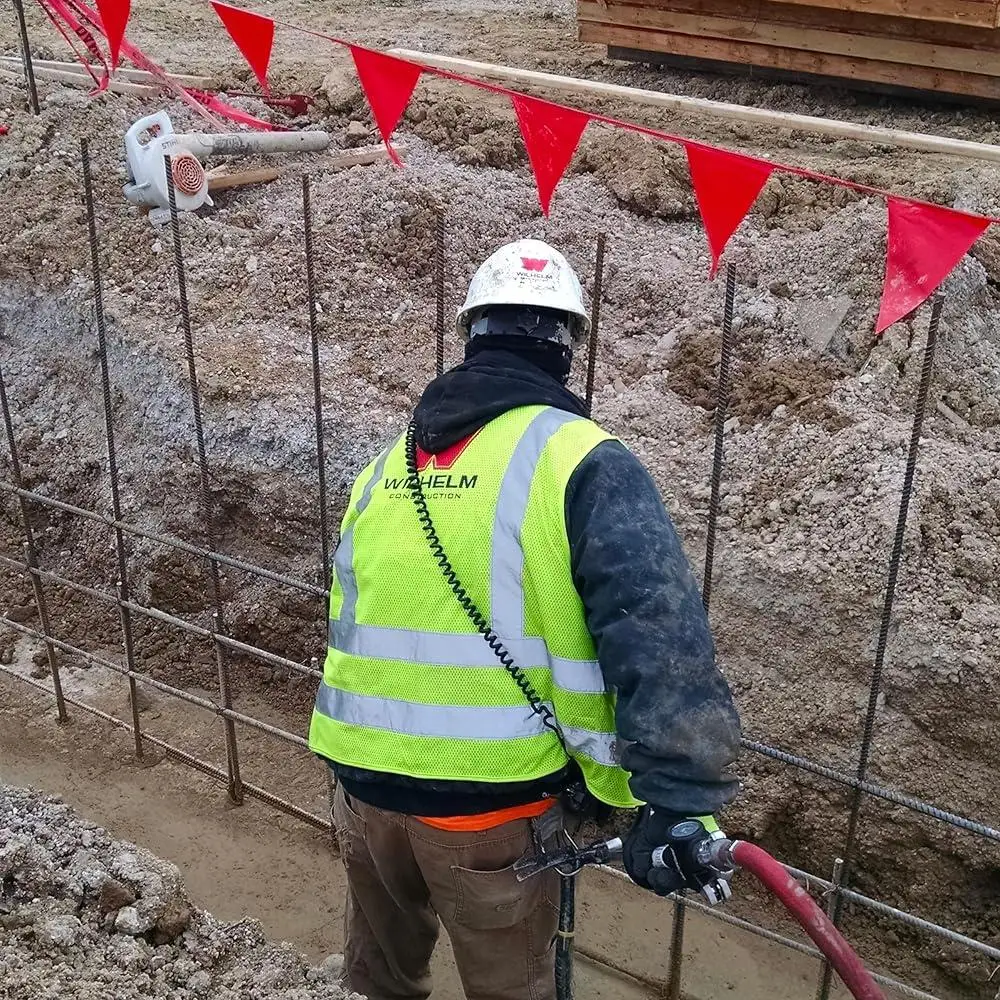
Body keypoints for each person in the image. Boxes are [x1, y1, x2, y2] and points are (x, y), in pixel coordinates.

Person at [308, 238, 742, 1000]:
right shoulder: (584, 459)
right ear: (565, 348)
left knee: (376, 982)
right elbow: (658, 636)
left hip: (363, 792)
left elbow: (350, 613)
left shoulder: (387, 463)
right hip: (489, 811)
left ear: (471, 335)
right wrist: (675, 800)